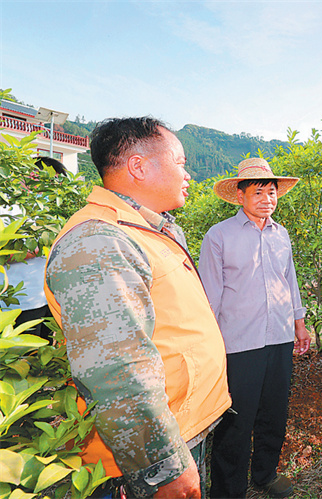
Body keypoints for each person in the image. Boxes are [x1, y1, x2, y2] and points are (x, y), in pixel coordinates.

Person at [44, 117, 231, 498]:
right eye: (179, 161)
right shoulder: (100, 241)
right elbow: (118, 372)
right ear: (139, 166)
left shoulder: (142, 229)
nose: (188, 173)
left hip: (180, 426)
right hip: (153, 453)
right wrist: (161, 469)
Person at [199, 157, 311, 498]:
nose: (267, 198)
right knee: (236, 422)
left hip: (278, 337)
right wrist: (210, 345)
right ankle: (228, 490)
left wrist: (300, 324)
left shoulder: (282, 234)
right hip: (238, 343)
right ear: (241, 194)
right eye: (259, 191)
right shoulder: (219, 236)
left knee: (274, 414)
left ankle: (264, 474)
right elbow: (210, 293)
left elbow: (289, 281)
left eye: (272, 191)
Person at [2, 157, 67, 337]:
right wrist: (38, 248)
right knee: (22, 357)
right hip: (20, 303)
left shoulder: (49, 210)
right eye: (49, 181)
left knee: (45, 352)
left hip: (48, 299)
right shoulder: (7, 209)